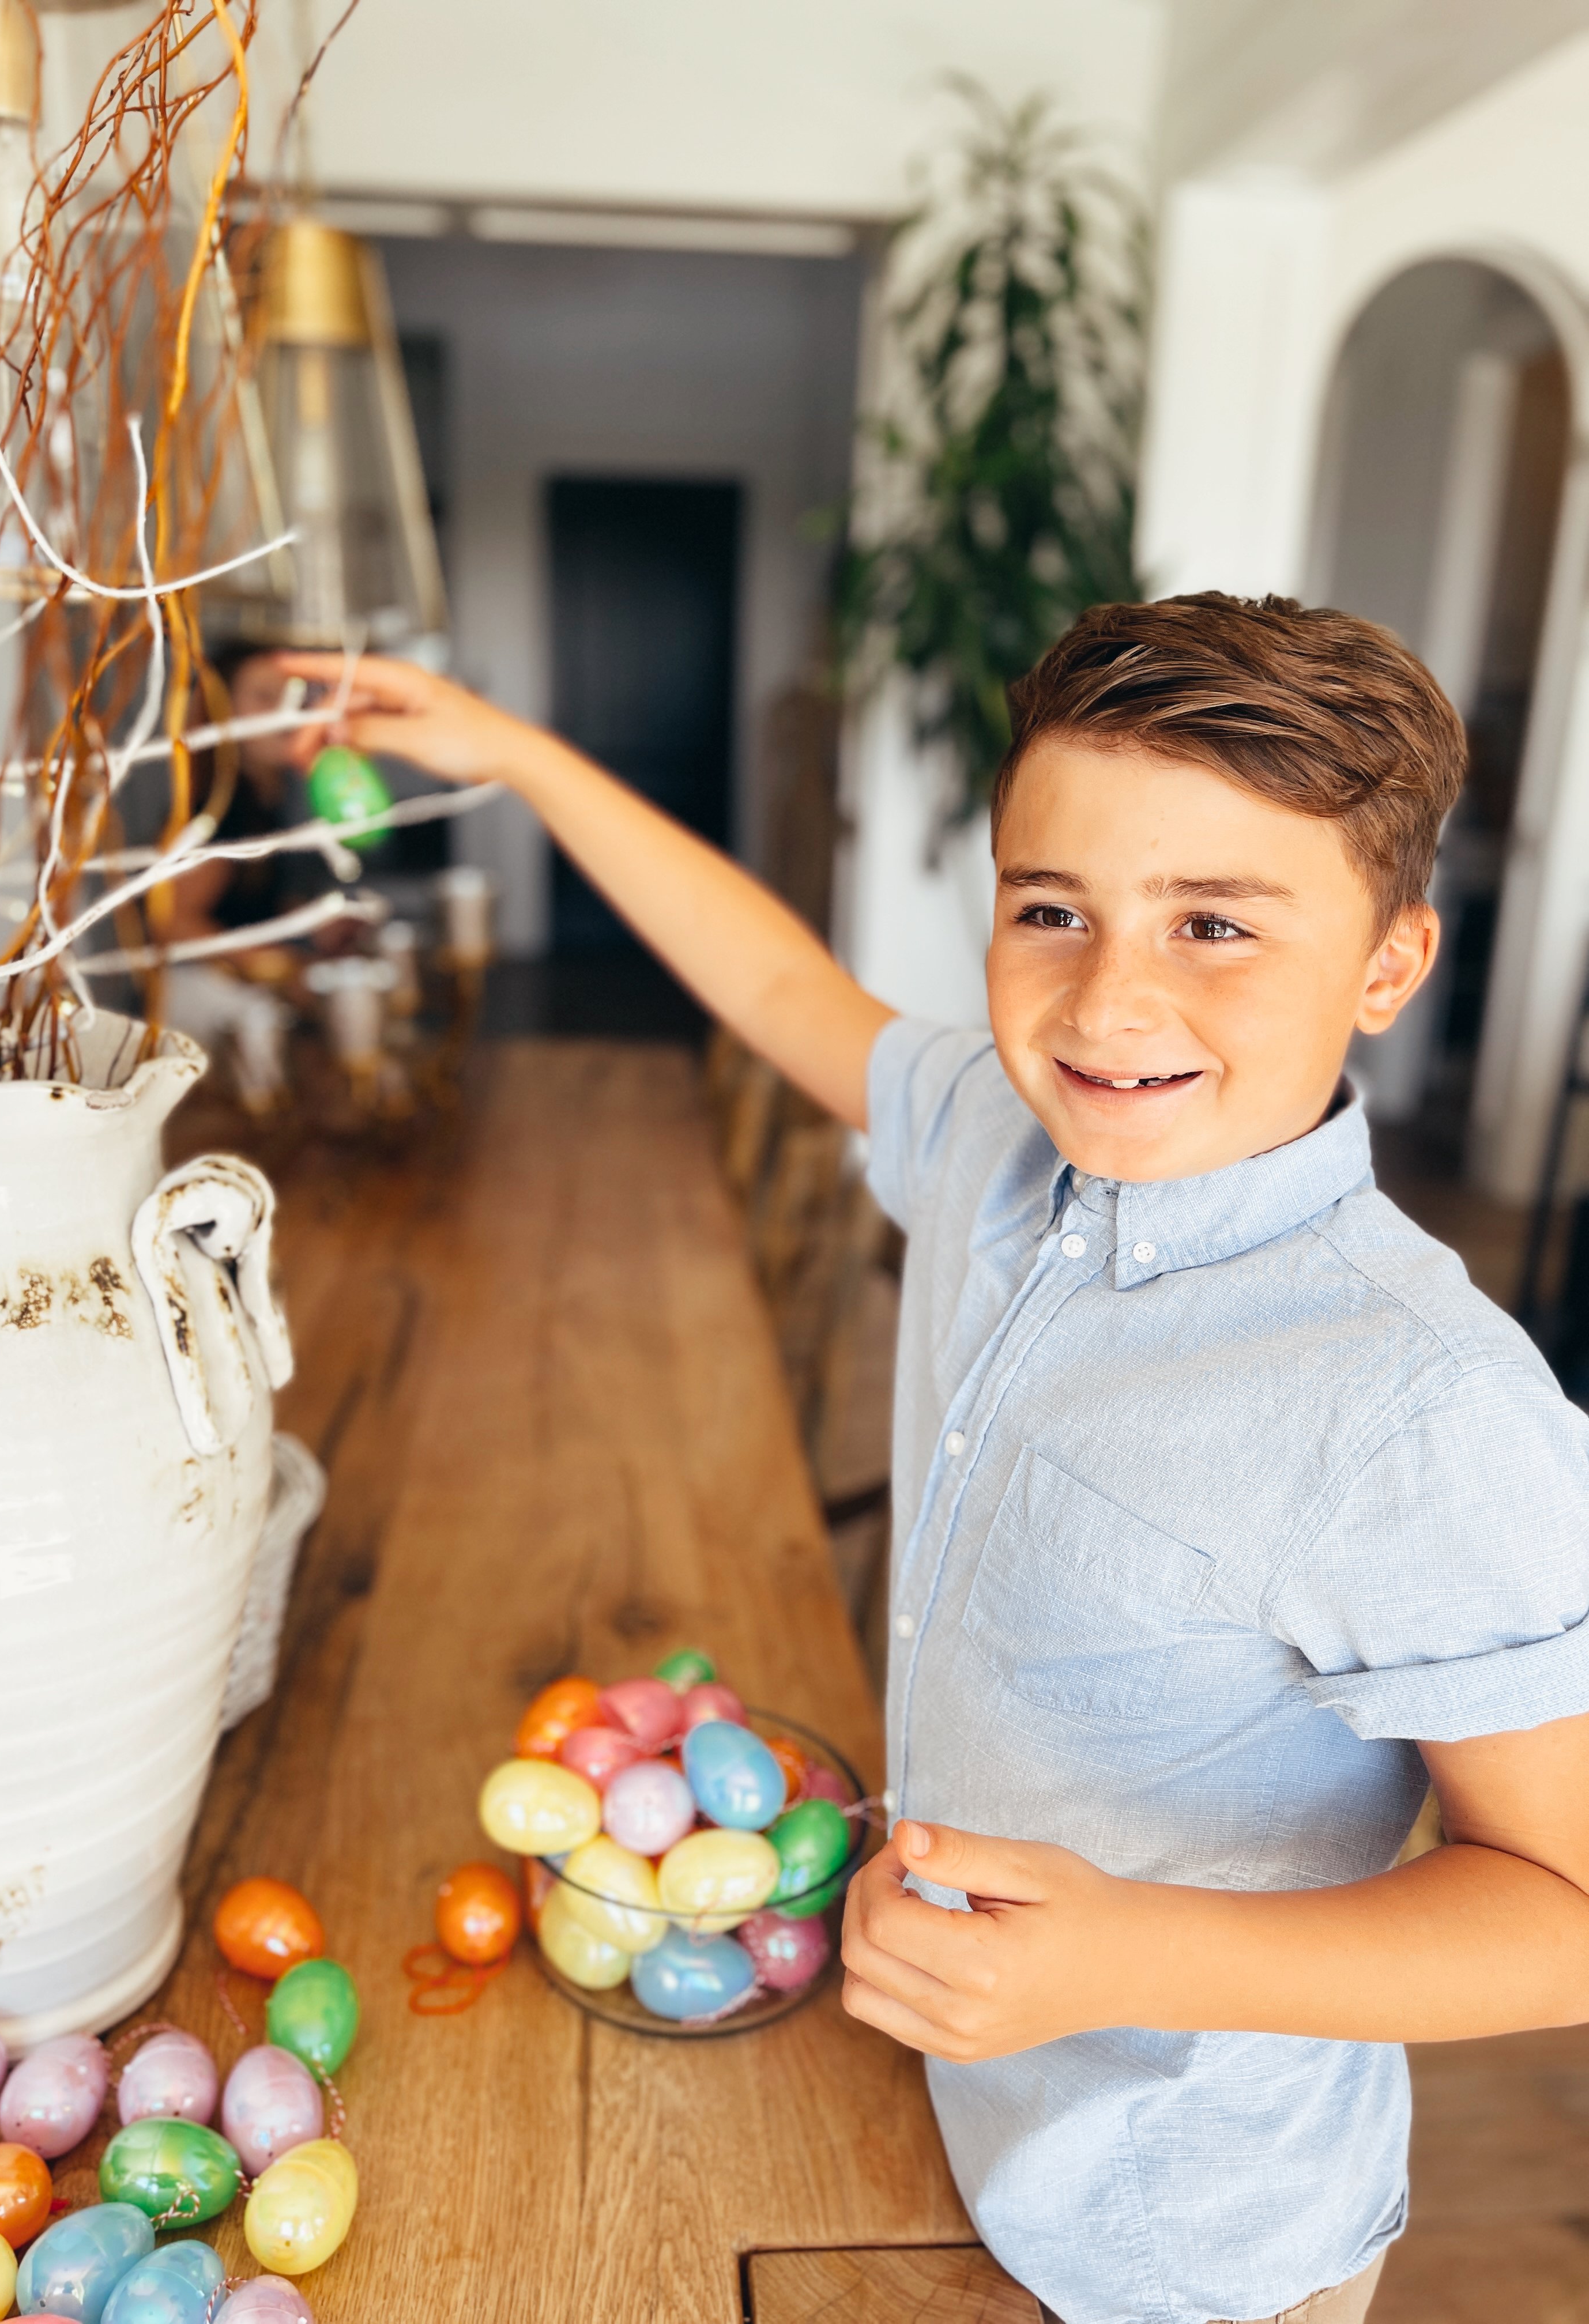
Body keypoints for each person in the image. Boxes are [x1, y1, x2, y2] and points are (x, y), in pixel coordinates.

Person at [277, 595, 1589, 2324]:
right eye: (1051, 908)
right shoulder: (998, 1126)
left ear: (1388, 966)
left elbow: (1565, 1908)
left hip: (1184, 2245)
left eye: (1215, 924)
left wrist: (1122, 1954)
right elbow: (775, 983)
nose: (1110, 997)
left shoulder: (1424, 1408)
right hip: (929, 2099)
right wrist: (519, 756)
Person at [157, 644, 337, 1113]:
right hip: (190, 994)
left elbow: (257, 896)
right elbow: (173, 922)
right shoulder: (212, 806)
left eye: (293, 695)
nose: (285, 711)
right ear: (220, 711)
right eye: (263, 696)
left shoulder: (274, 791)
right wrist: (271, 963)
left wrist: (313, 924)